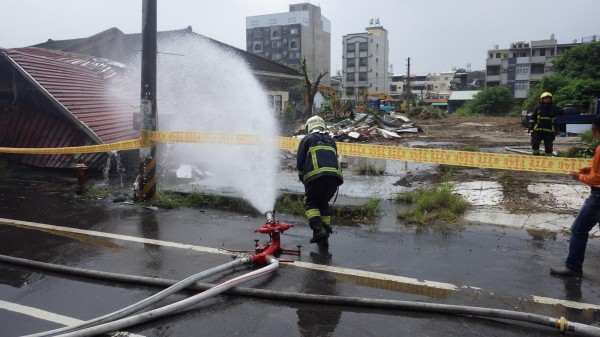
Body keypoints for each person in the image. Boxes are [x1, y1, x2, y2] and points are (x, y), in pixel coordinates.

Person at [550, 115, 600, 277]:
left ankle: (573, 267)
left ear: (594, 130)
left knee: (578, 229)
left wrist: (579, 177)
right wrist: (590, 169)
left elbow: (597, 179)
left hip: (598, 197)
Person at [296, 115, 343, 250]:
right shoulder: (331, 140)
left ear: (309, 127)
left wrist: (302, 178)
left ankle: (318, 231)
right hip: (335, 178)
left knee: (311, 203)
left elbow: (300, 161)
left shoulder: (307, 139)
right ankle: (325, 235)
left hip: (316, 178)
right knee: (323, 203)